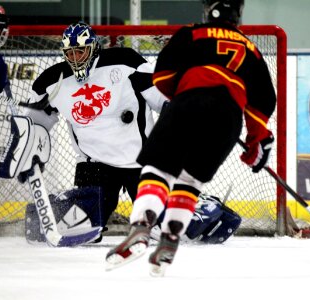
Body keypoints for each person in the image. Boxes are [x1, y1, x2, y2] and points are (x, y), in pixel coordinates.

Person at [106, 0, 277, 276]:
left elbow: (162, 77)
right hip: (228, 118)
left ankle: (141, 228)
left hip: (189, 101)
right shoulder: (252, 50)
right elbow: (262, 104)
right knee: (190, 180)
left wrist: (187, 97)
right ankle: (171, 239)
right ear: (238, 15)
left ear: (209, 11)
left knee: (158, 169)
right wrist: (257, 138)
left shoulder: (192, 33)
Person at [16, 21, 167, 240]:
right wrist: (27, 145)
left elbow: (162, 99)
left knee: (162, 229)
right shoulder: (52, 82)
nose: (76, 58)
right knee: (82, 229)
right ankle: (58, 209)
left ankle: (199, 209)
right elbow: (35, 124)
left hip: (141, 161)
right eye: (71, 53)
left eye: (81, 51)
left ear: (94, 48)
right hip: (94, 164)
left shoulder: (126, 62)